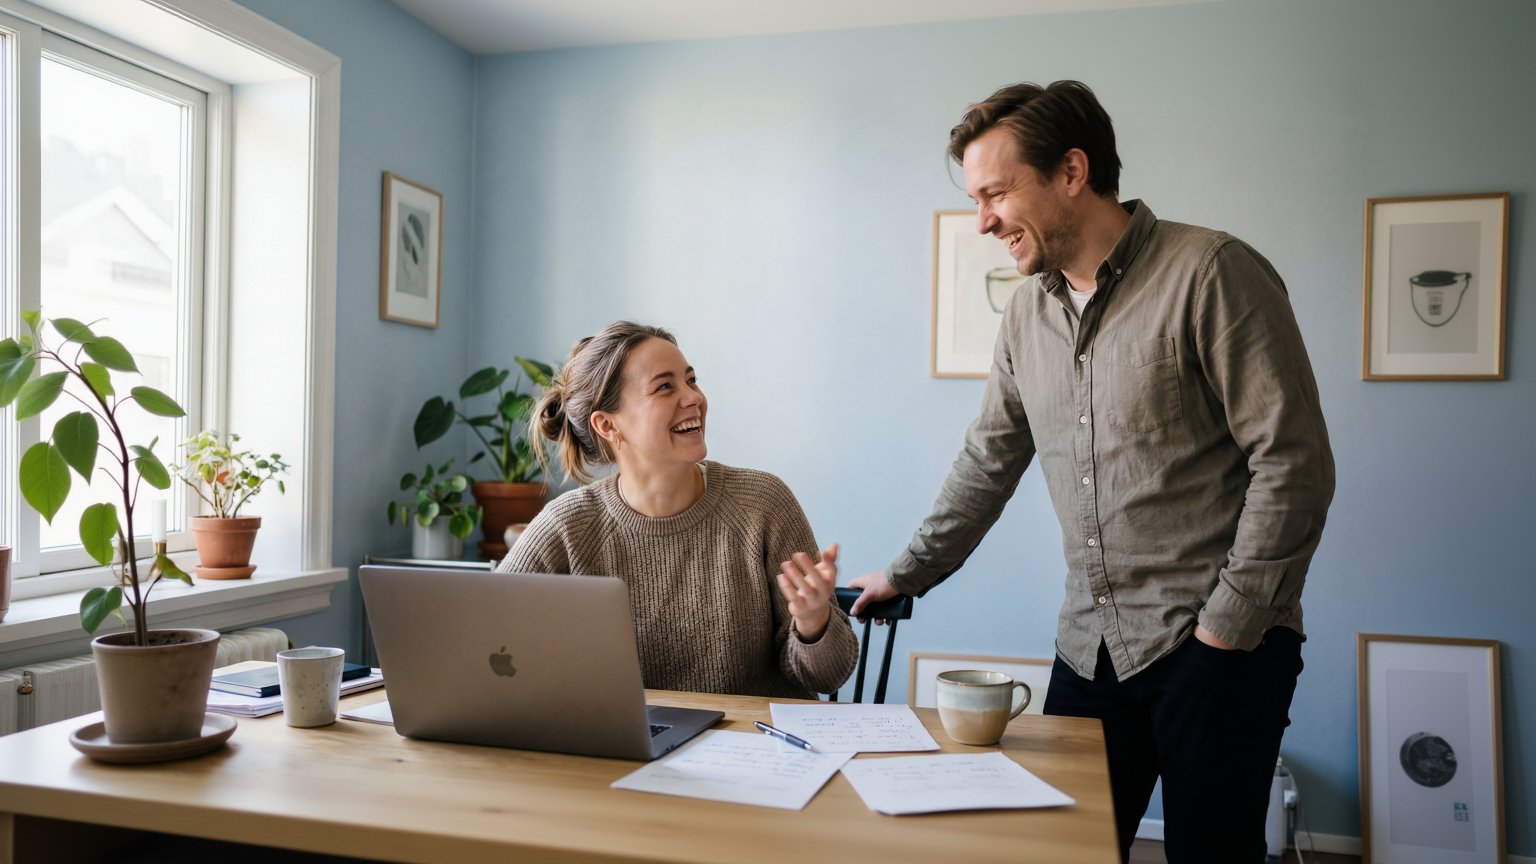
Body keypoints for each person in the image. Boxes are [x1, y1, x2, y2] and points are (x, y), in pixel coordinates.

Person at [847, 81, 1334, 863]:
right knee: (1064, 852)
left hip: (1219, 647)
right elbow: (987, 461)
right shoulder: (1025, 317)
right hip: (1091, 649)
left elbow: (1294, 465)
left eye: (997, 193)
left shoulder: (1212, 272)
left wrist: (1223, 632)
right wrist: (907, 574)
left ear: (1072, 171)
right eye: (977, 200)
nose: (984, 222)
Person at [497, 321, 858, 700]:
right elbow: (482, 630)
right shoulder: (567, 526)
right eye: (665, 386)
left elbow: (828, 679)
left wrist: (815, 623)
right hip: (629, 752)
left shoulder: (762, 503)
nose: (694, 398)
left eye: (691, 380)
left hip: (756, 746)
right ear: (607, 424)